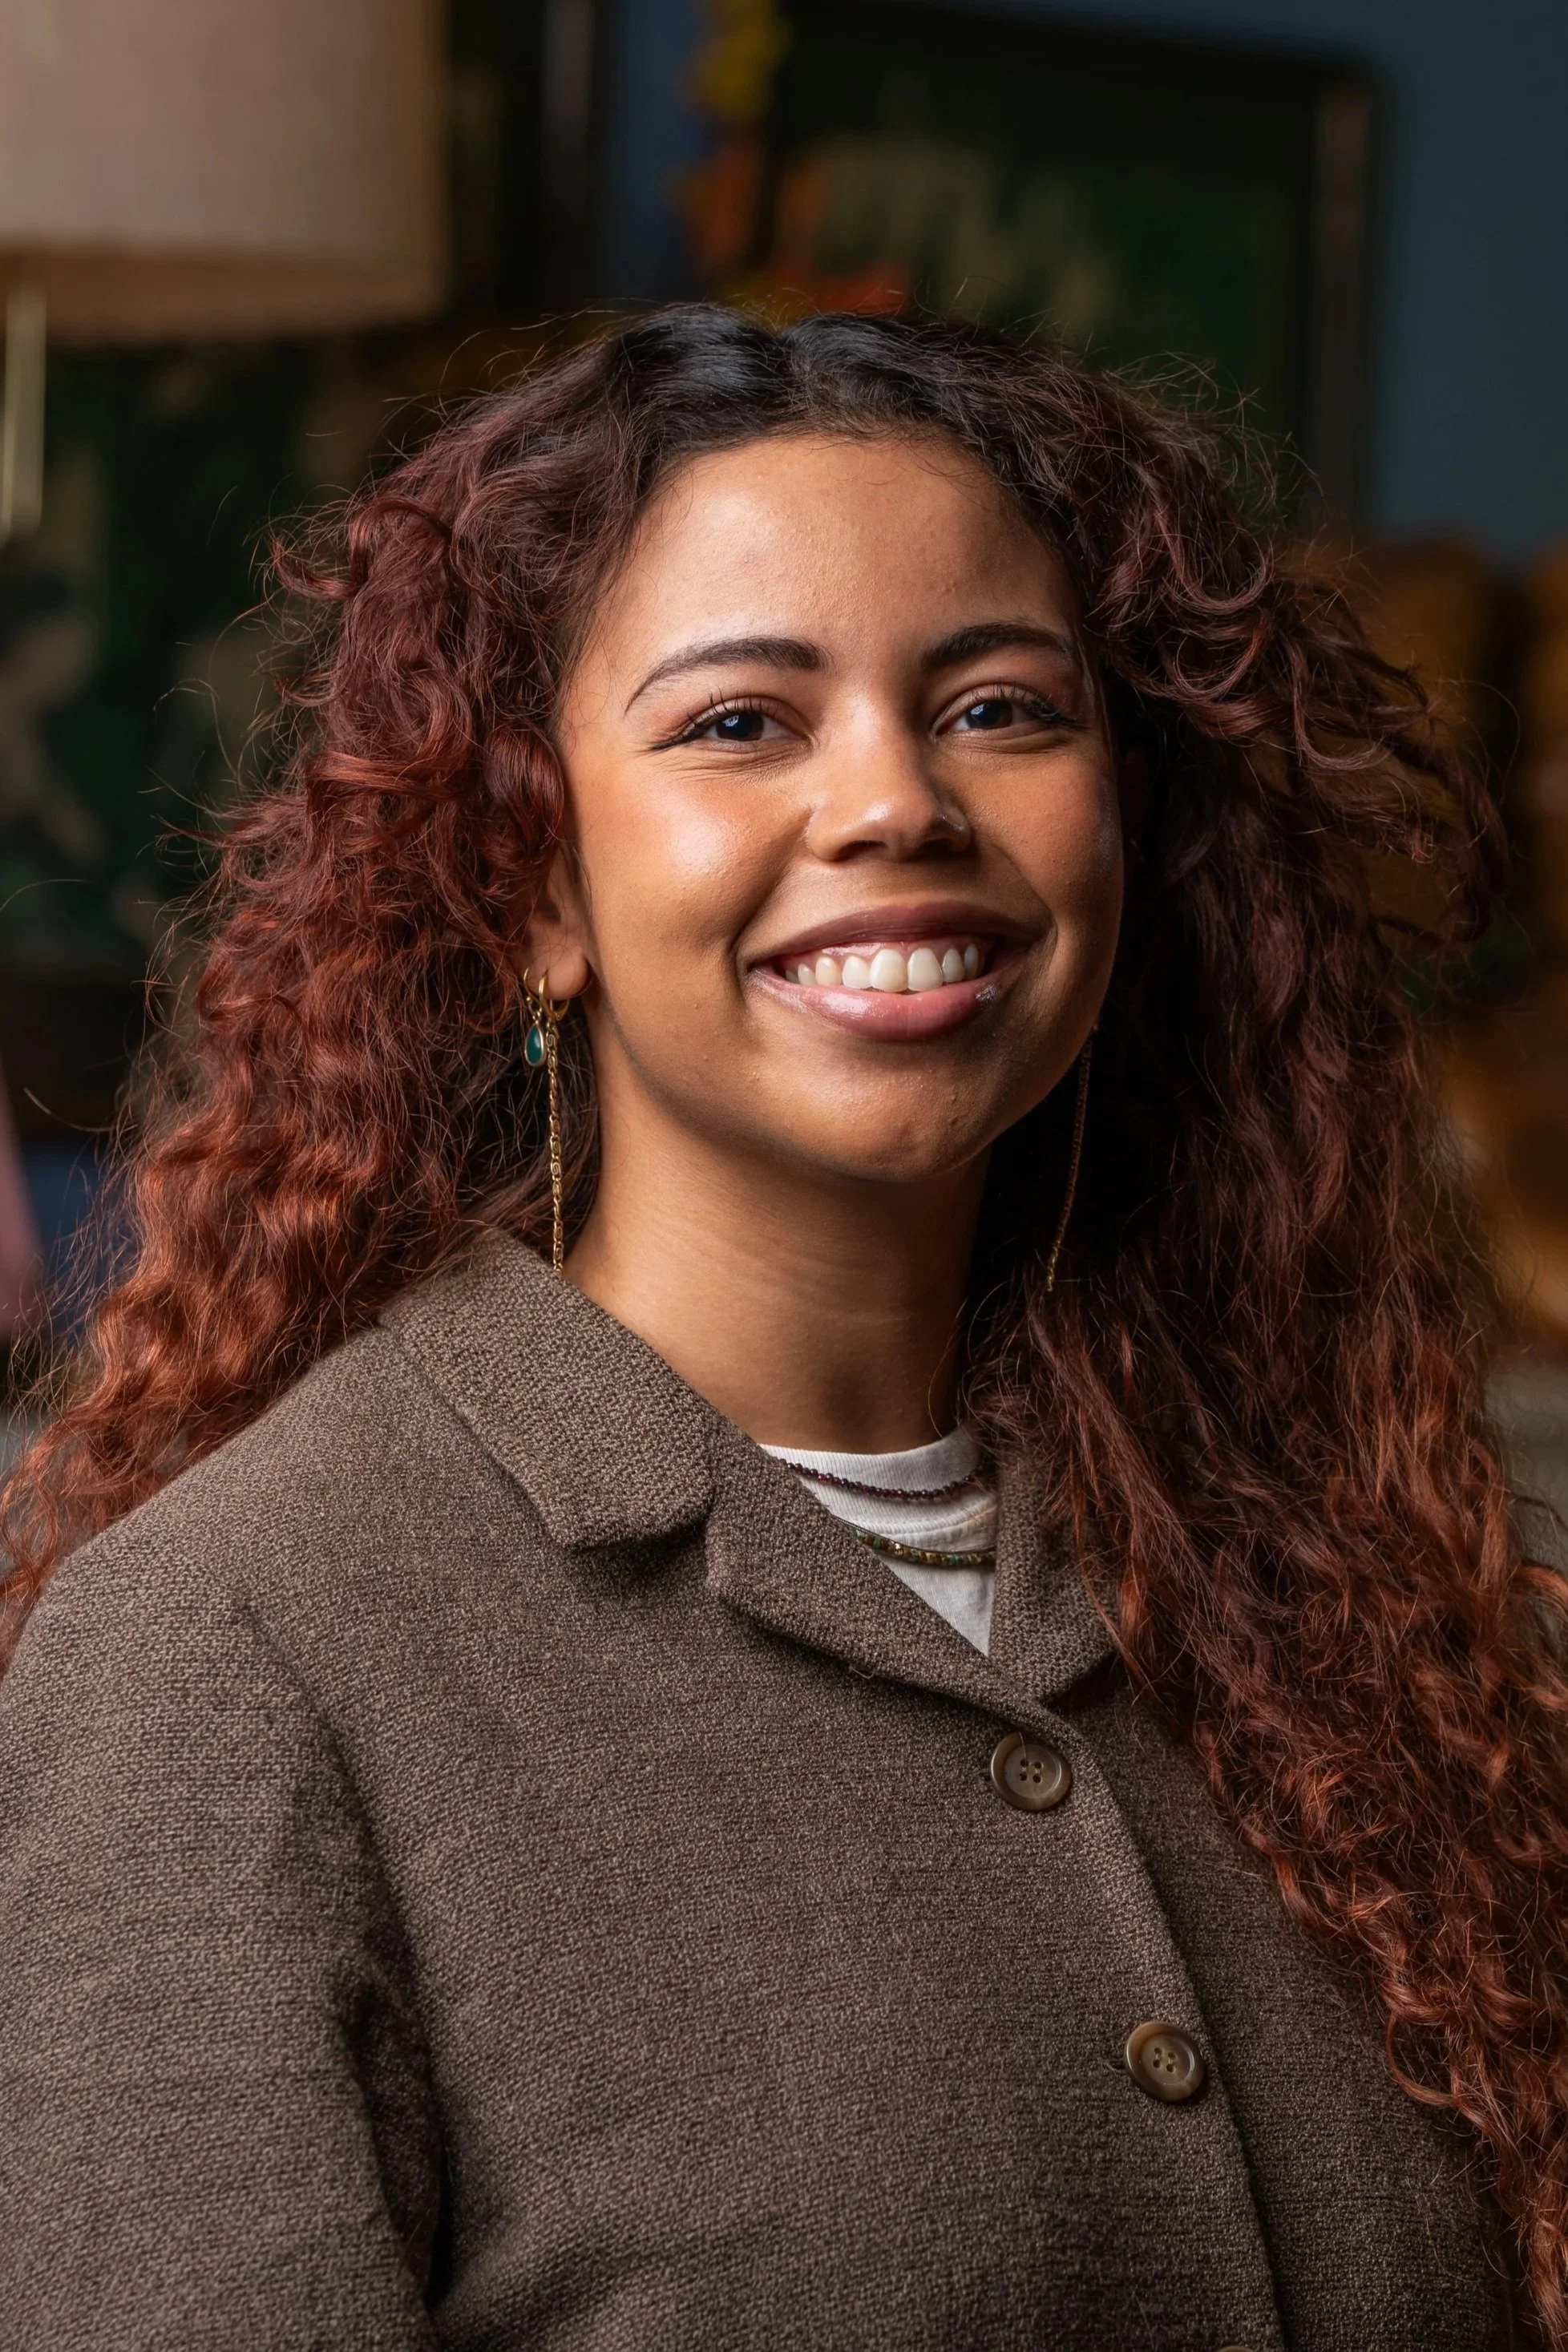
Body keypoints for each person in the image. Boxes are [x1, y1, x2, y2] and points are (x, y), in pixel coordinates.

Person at [0, 306, 1562, 2350]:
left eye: (1001, 706)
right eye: (740, 722)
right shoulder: (235, 1656)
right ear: (526, 887)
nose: (897, 801)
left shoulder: (1361, 1601)